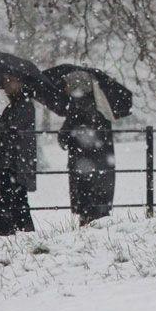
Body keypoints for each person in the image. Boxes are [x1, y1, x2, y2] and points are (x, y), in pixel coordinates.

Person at [57, 70, 115, 226]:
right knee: (97, 206)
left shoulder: (78, 106)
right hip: (99, 165)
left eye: (68, 84)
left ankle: (88, 226)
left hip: (84, 164)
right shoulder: (99, 105)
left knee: (86, 205)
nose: (65, 88)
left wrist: (64, 136)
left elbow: (68, 134)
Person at [0, 75, 36, 236]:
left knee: (6, 210)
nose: (6, 85)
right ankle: (24, 235)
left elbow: (9, 135)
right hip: (12, 164)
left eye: (10, 81)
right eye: (5, 81)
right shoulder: (15, 106)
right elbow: (2, 137)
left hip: (16, 165)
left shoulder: (24, 106)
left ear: (20, 82)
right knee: (17, 207)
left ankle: (13, 236)